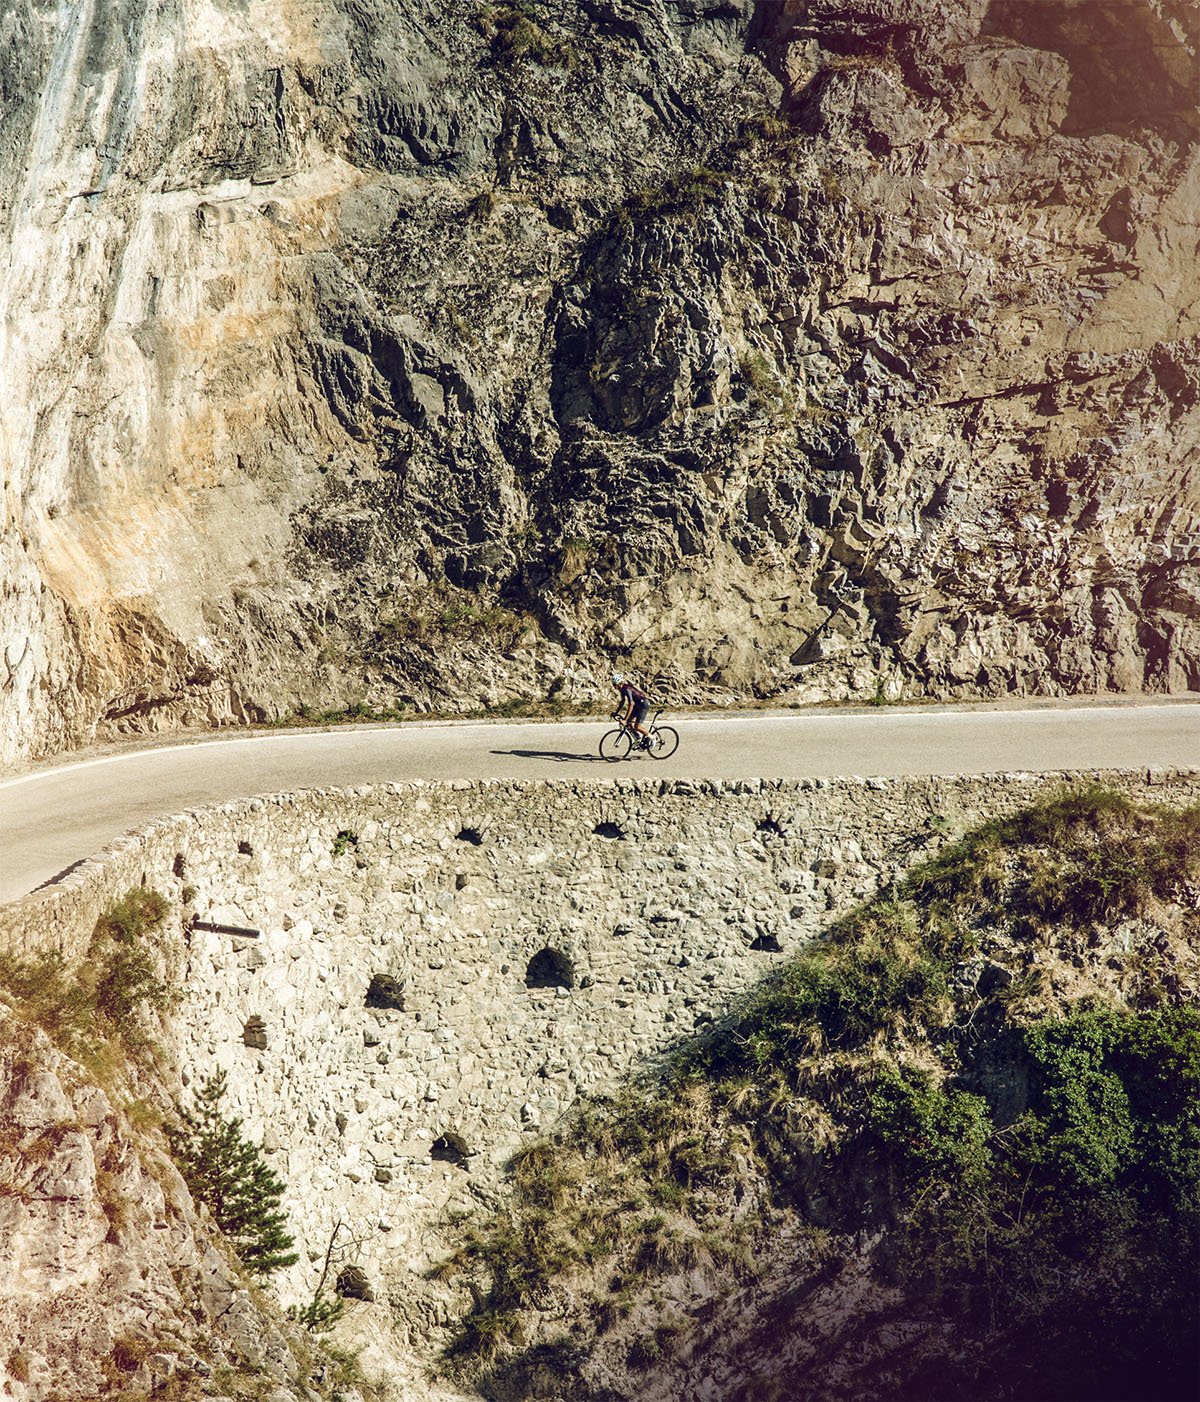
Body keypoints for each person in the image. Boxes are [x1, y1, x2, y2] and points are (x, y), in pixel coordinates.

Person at [611, 672, 652, 747]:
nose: (614, 686)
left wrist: (625, 720)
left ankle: (652, 738)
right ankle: (637, 738)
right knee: (630, 723)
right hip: (638, 705)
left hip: (643, 704)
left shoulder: (626, 689)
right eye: (613, 684)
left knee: (637, 726)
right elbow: (622, 701)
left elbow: (631, 704)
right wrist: (616, 712)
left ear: (619, 683)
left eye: (615, 684)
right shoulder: (622, 689)